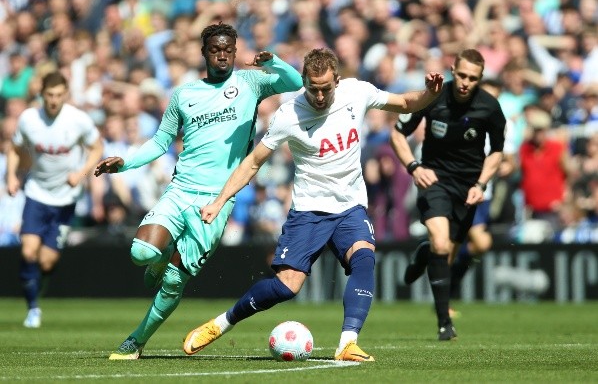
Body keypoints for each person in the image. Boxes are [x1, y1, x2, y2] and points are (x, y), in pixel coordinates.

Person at [183, 48, 444, 361]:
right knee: (286, 288)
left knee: (364, 259)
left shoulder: (356, 92)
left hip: (350, 207)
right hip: (309, 211)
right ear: (304, 81)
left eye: (326, 88)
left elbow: (404, 102)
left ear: (337, 79)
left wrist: (429, 93)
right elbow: (253, 162)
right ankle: (222, 323)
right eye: (313, 88)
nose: (319, 96)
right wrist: (220, 200)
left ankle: (348, 342)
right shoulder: (288, 115)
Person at [93, 22, 303, 360]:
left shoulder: (250, 82)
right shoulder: (183, 94)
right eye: (215, 49)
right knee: (142, 253)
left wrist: (274, 62)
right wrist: (125, 163)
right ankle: (157, 263)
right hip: (181, 189)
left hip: (218, 200)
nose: (222, 55)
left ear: (235, 53)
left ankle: (136, 341)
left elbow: (296, 83)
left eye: (228, 50)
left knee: (176, 282)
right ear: (204, 52)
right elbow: (161, 142)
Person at [390, 49, 506, 340]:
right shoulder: (434, 97)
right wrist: (414, 167)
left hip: (468, 189)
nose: (466, 82)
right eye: (462, 75)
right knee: (442, 243)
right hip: (434, 180)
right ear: (453, 70)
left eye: (473, 78)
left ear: (480, 79)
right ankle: (444, 323)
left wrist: (481, 185)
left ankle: (424, 253)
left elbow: (497, 152)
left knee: (447, 253)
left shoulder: (490, 107)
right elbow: (397, 134)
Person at [5, 71, 103, 328]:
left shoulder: (78, 120)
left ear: (66, 95)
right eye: (49, 95)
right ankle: (33, 308)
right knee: (28, 251)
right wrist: (12, 177)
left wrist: (81, 173)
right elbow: (15, 149)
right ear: (42, 95)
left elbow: (98, 147)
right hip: (37, 193)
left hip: (66, 199)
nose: (53, 100)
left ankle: (41, 282)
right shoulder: (29, 119)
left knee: (47, 261)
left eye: (59, 95)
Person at [448, 79, 517, 315]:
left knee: (474, 245)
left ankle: (447, 286)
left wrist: (508, 166)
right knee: (477, 242)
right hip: (459, 190)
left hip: (482, 195)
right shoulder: (462, 117)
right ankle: (445, 297)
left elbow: (509, 158)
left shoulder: (503, 123)